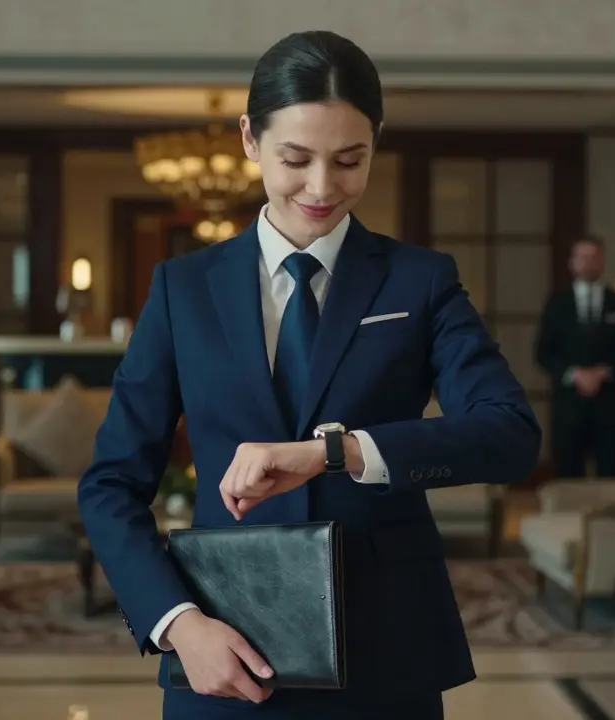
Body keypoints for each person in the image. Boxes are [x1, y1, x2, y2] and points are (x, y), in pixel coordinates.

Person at [77, 31, 541, 720]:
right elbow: (111, 483)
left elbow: (510, 434)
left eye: (350, 160)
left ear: (375, 144)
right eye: (296, 159)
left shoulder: (420, 280)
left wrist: (338, 452)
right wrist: (178, 624)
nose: (322, 188)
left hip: (385, 651)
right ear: (250, 138)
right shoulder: (183, 289)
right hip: (223, 649)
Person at [534, 236, 615, 479]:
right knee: (567, 473)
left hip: (610, 404)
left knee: (612, 472)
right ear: (572, 262)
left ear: (602, 262)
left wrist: (604, 372)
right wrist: (575, 374)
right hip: (568, 404)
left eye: (593, 257)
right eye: (582, 257)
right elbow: (543, 353)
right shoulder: (557, 304)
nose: (588, 262)